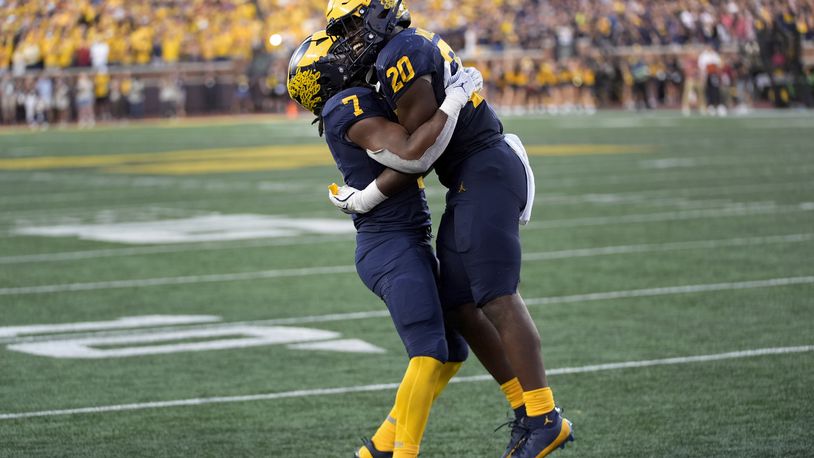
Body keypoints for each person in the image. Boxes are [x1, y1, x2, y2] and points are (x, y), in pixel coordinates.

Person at [324, 1, 573, 457]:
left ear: (377, 15)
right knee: (458, 303)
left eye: (354, 25)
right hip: (471, 174)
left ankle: (543, 416)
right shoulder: (396, 51)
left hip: (484, 169)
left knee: (496, 296)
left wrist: (365, 197)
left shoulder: (398, 53)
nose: (350, 39)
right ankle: (525, 408)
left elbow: (420, 151)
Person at [287, 30, 481, 458]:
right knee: (429, 353)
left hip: (401, 238)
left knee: (451, 351)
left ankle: (378, 448)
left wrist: (363, 198)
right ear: (326, 75)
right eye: (337, 55)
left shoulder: (346, 104)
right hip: (389, 245)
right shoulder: (346, 105)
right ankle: (403, 454)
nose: (348, 55)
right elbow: (413, 155)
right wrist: (454, 100)